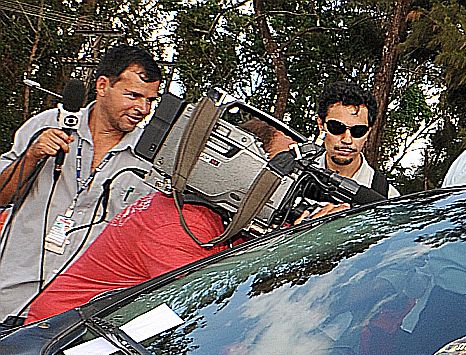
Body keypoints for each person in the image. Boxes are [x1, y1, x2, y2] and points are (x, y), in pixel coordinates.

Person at [24, 120, 344, 323]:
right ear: (243, 171)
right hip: (57, 340)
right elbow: (211, 314)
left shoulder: (224, 216)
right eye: (281, 170)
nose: (289, 184)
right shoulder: (181, 224)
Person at [0, 45, 163, 320]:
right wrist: (31, 156)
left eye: (150, 100)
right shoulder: (49, 123)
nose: (142, 109)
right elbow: (1, 196)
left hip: (73, 319)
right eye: (133, 95)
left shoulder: (152, 157)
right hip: (9, 293)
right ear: (102, 86)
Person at [315, 81, 399, 199]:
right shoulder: (293, 175)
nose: (347, 139)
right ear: (320, 124)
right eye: (337, 127)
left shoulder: (387, 196)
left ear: (368, 132)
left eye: (358, 131)